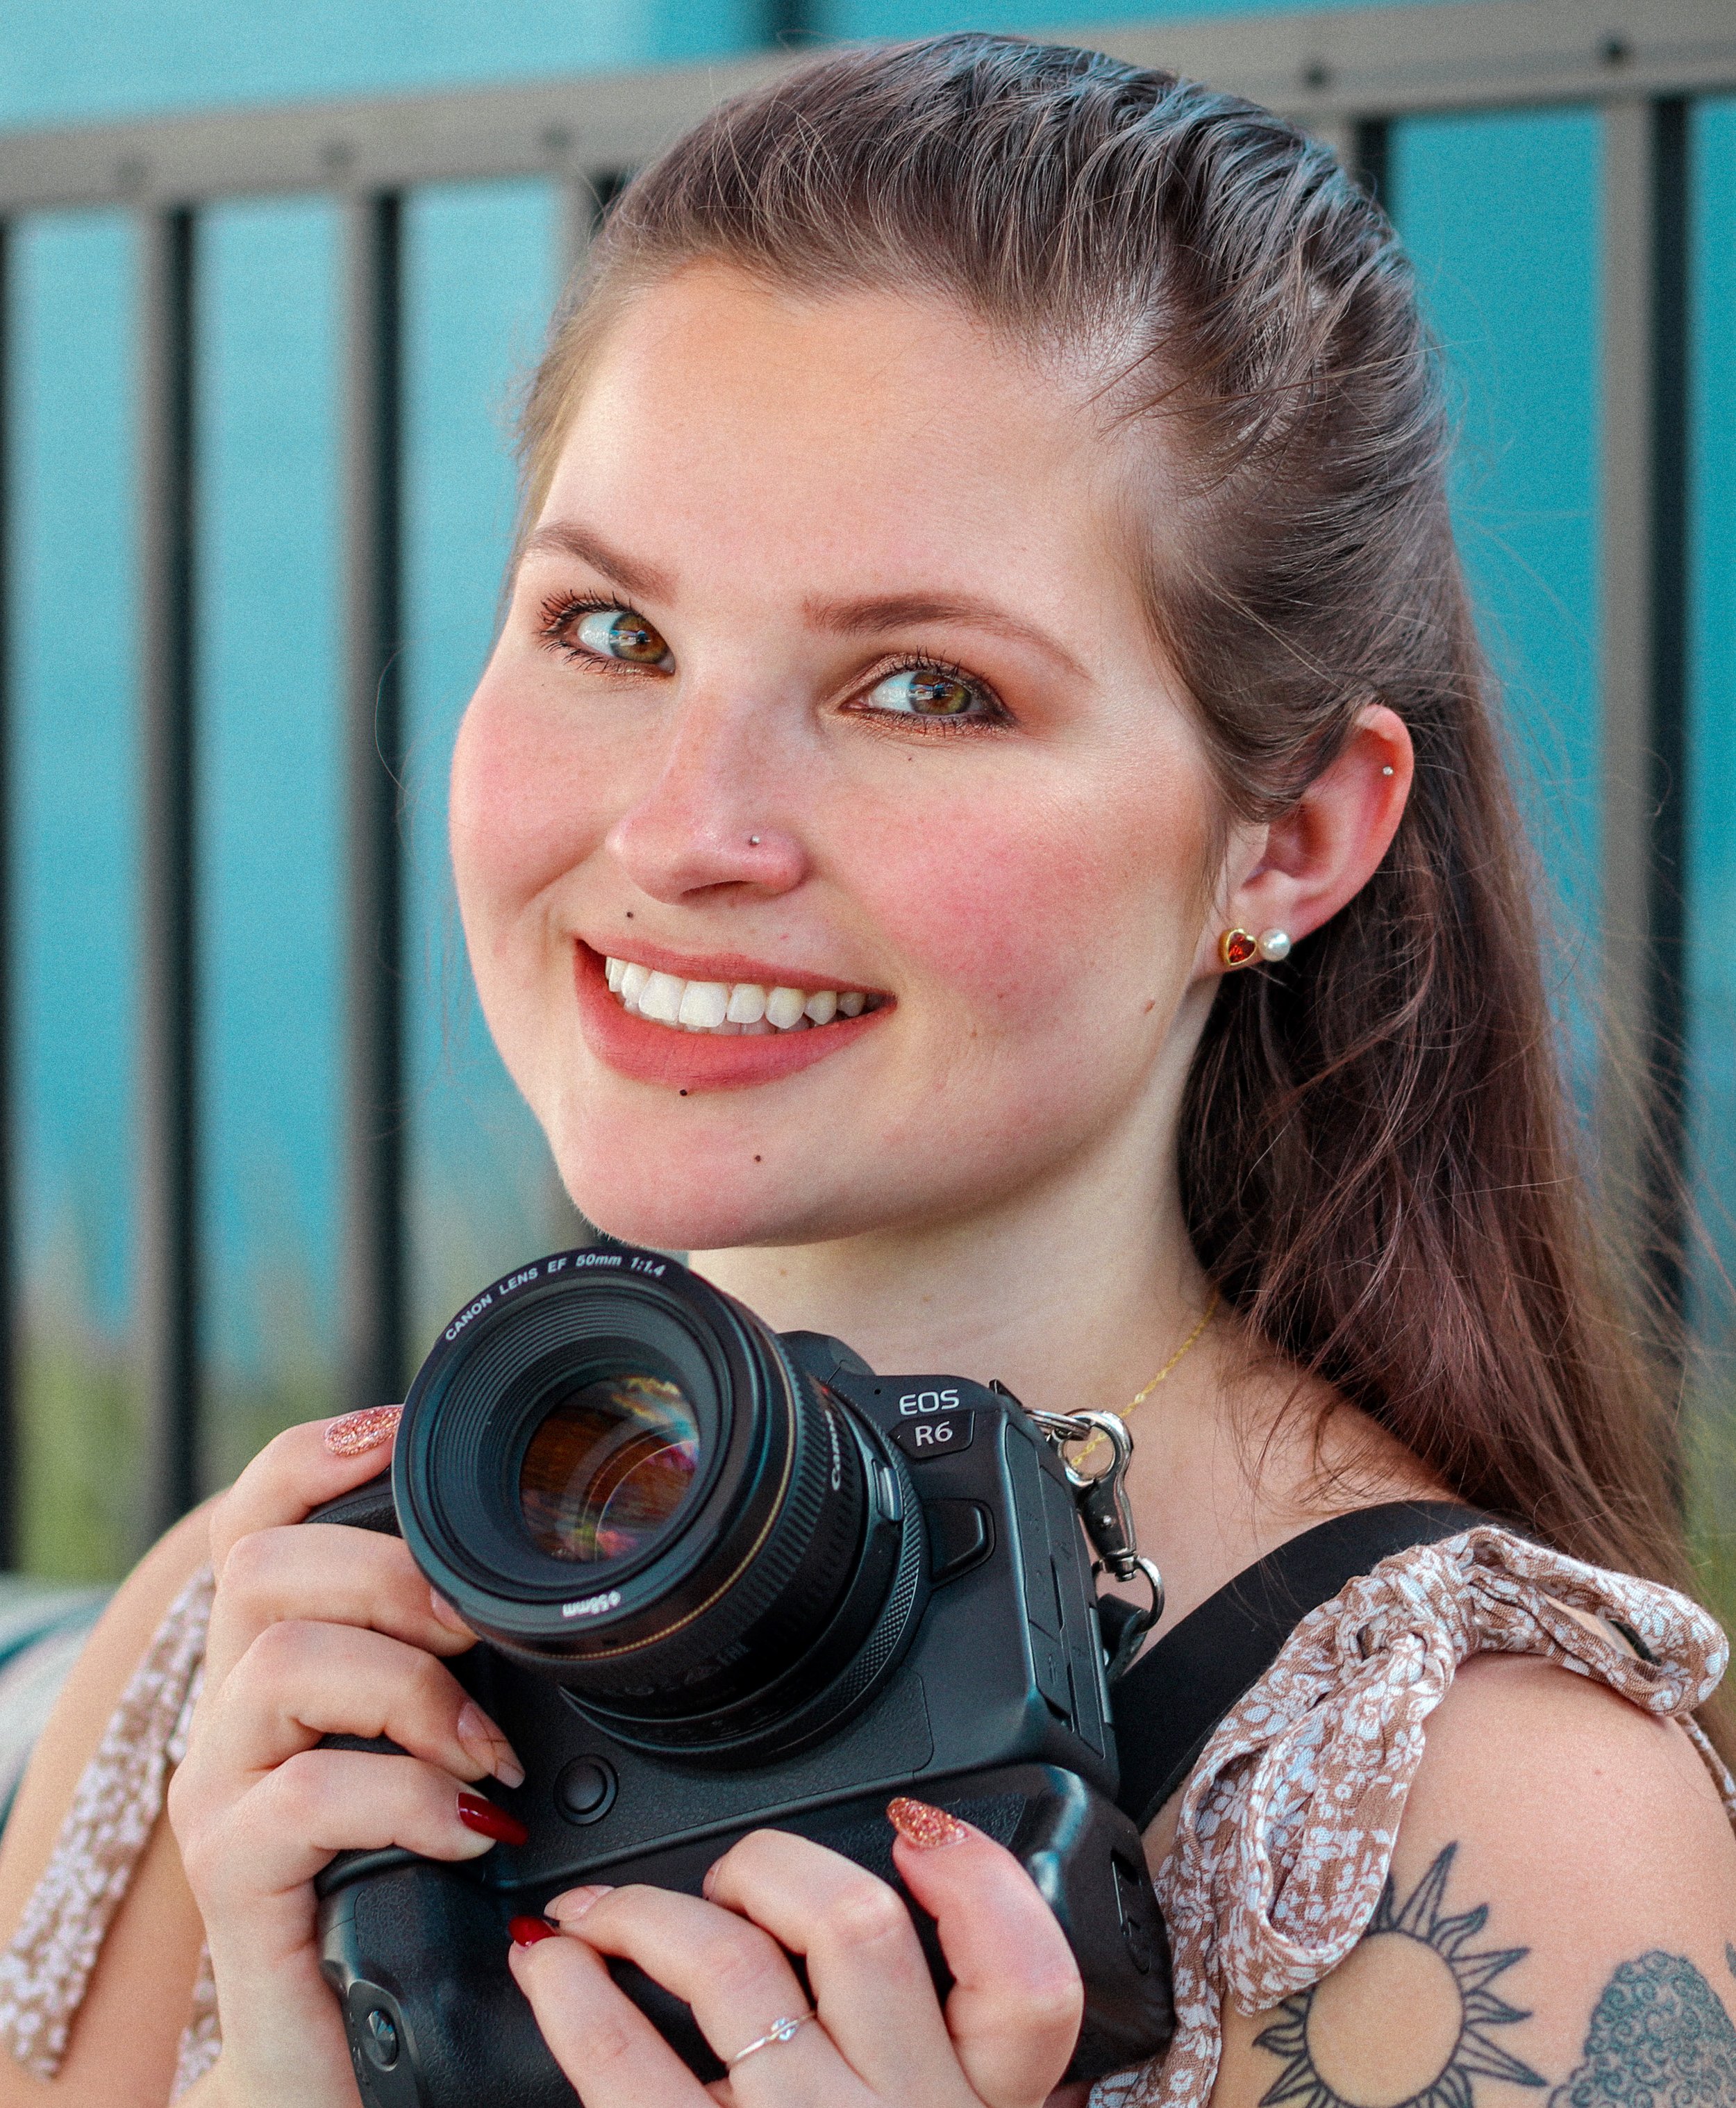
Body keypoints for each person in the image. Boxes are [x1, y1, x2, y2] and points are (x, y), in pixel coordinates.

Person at [1, 32, 1733, 2108]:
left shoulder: (1476, 1806)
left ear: (1288, 838)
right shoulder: (274, 1630)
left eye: (925, 687)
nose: (681, 831)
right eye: (610, 633)